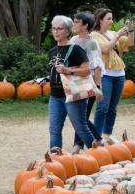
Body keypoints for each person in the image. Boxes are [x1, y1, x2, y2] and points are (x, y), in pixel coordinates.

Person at [47, 16, 97, 151]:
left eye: (60, 28)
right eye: (54, 28)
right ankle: (55, 159)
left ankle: (98, 154)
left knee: (80, 128)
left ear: (68, 31)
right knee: (54, 130)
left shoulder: (75, 49)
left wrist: (68, 70)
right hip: (55, 96)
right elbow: (55, 72)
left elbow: (87, 70)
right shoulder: (52, 51)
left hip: (73, 95)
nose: (56, 31)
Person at [91, 8, 130, 145]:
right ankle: (97, 138)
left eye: (112, 18)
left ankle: (107, 134)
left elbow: (129, 44)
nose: (111, 21)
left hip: (119, 74)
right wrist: (117, 35)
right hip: (105, 75)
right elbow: (105, 49)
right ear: (100, 20)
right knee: (103, 107)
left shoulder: (113, 33)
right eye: (108, 19)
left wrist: (130, 31)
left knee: (113, 108)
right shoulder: (94, 36)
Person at [70, 11, 103, 154]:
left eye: (77, 22)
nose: (74, 24)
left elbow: (97, 66)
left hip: (89, 83)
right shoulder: (72, 40)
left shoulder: (92, 42)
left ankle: (78, 145)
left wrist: (97, 87)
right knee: (78, 116)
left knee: (81, 117)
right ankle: (98, 140)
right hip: (74, 83)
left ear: (85, 26)